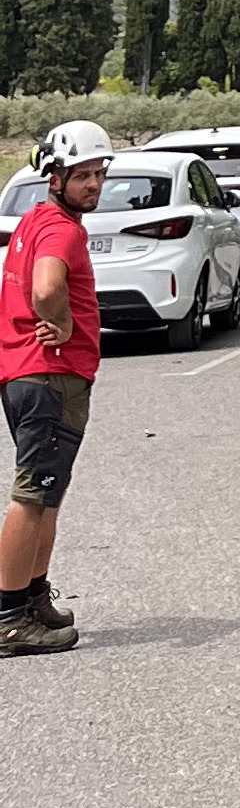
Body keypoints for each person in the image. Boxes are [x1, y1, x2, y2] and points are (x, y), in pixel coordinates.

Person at [1, 119, 111, 657]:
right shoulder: (62, 229)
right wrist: (64, 323)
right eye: (82, 174)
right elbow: (46, 287)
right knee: (31, 495)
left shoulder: (37, 219)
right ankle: (7, 619)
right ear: (55, 175)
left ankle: (32, 598)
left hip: (32, 375)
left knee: (48, 494)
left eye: (98, 173)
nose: (93, 184)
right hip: (48, 377)